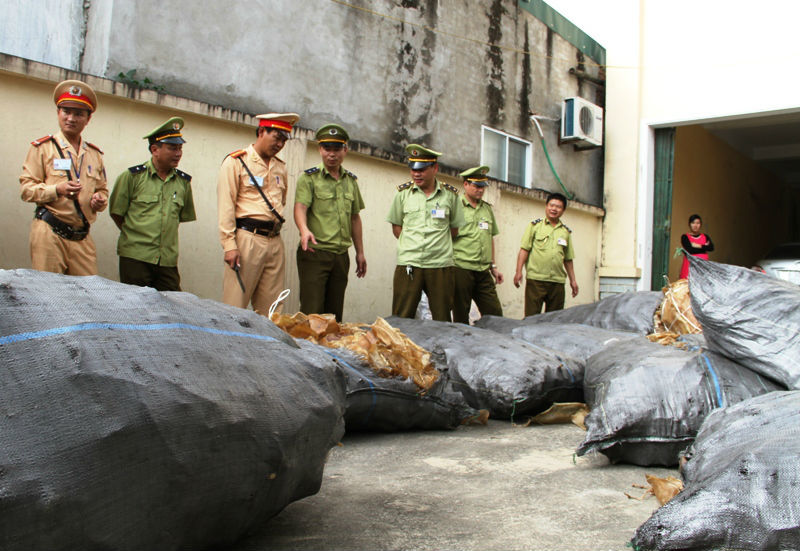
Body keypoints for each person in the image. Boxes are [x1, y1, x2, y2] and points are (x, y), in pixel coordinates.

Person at [20, 79, 108, 275]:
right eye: (66, 111)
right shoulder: (43, 148)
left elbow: (102, 189)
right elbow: (26, 190)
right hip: (50, 232)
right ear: (58, 113)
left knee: (87, 293)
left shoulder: (94, 154)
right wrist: (56, 190)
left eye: (78, 114)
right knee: (49, 293)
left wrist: (99, 201)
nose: (71, 118)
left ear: (88, 118)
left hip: (81, 236)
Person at [217, 113, 299, 316]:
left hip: (274, 241)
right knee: (235, 307)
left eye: (284, 140)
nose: (280, 144)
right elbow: (226, 206)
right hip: (247, 239)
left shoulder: (280, 167)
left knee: (272, 311)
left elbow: (282, 202)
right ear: (262, 131)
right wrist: (229, 246)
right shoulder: (236, 162)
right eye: (276, 137)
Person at [109, 117, 196, 291]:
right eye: (172, 148)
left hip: (167, 260)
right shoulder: (132, 177)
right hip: (136, 257)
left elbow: (177, 218)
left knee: (172, 307)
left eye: (180, 148)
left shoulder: (183, 182)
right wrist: (136, 236)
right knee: (136, 309)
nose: (178, 153)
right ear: (155, 149)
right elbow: (117, 212)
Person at [294, 124, 366, 322]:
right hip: (315, 253)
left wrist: (360, 252)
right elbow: (300, 207)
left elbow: (354, 218)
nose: (331, 154)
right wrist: (303, 230)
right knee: (313, 313)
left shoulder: (350, 181)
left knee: (334, 316)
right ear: (320, 149)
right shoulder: (309, 179)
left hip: (341, 256)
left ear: (345, 150)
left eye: (336, 149)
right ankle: (309, 352)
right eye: (327, 149)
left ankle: (328, 353)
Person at [386, 144, 464, 321]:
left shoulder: (450, 196)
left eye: (421, 169)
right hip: (409, 263)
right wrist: (412, 243)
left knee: (442, 318)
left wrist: (436, 245)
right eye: (413, 169)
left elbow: (454, 229)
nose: (416, 174)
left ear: (435, 168)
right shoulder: (402, 194)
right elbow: (397, 227)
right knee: (401, 317)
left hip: (440, 265)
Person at [451, 165, 504, 324]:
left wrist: (493, 266)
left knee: (495, 315)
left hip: (483, 270)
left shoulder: (486, 209)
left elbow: (490, 238)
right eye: (476, 185)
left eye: (483, 186)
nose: (480, 190)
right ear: (465, 184)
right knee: (461, 315)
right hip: (461, 268)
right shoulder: (455, 206)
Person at [513, 192, 578, 316]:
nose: (554, 209)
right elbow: (524, 250)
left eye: (558, 207)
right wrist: (518, 272)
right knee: (532, 317)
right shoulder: (535, 226)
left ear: (563, 210)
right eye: (551, 205)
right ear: (546, 206)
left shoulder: (565, 232)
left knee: (553, 320)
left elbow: (568, 259)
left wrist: (573, 281)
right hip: (536, 280)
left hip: (557, 282)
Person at [679, 214, 714, 279]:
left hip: (703, 267)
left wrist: (698, 245)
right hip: (689, 267)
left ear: (700, 224)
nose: (695, 225)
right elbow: (691, 251)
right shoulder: (685, 237)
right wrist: (704, 247)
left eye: (698, 223)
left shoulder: (705, 236)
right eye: (693, 223)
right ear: (689, 224)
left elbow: (711, 248)